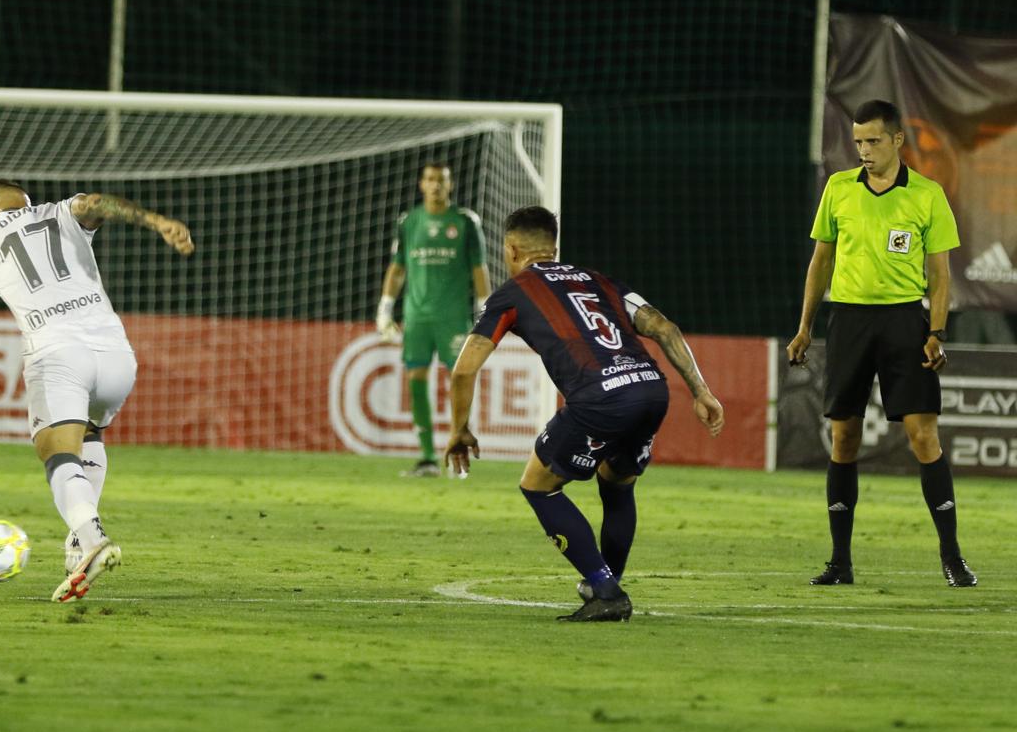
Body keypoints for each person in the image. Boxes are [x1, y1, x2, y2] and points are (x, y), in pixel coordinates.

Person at [445, 206, 725, 622]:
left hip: (601, 398)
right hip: (651, 389)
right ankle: (605, 582)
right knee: (617, 485)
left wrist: (459, 429)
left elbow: (464, 368)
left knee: (538, 486)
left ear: (512, 249)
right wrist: (701, 391)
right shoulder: (599, 280)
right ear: (554, 248)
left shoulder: (513, 292)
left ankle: (606, 588)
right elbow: (664, 327)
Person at [0, 181, 193, 603]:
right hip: (116, 356)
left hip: (56, 355)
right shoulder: (58, 212)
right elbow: (99, 203)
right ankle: (78, 545)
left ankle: (93, 539)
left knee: (57, 453)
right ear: (26, 205)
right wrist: (157, 221)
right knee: (89, 434)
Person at [787, 99, 975, 588]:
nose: (864, 150)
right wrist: (806, 325)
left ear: (896, 141)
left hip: (903, 325)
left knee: (922, 436)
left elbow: (939, 276)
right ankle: (840, 562)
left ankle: (952, 557)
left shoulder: (928, 195)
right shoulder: (838, 189)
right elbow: (820, 262)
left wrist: (935, 332)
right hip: (847, 321)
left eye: (872, 141)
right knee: (844, 438)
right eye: (857, 142)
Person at [375, 162, 490, 477]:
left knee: (460, 380)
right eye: (429, 179)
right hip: (417, 318)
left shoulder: (465, 222)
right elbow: (398, 268)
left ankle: (459, 454)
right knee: (416, 380)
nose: (435, 185)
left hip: (453, 318)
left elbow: (479, 269)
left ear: (449, 185)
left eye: (441, 180)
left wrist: (486, 311)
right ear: (420, 184)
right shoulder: (409, 221)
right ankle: (427, 458)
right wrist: (385, 308)